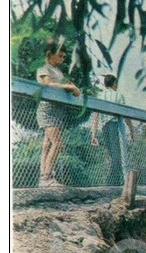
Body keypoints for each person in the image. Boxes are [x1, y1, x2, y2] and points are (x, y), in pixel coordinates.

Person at [36, 38, 81, 187]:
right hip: (47, 110)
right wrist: (66, 87)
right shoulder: (44, 67)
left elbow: (75, 91)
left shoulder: (58, 71)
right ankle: (47, 177)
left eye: (64, 57)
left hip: (58, 112)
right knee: (57, 143)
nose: (62, 59)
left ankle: (44, 177)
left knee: (48, 145)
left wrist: (72, 88)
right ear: (50, 54)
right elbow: (47, 84)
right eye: (60, 56)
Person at [91, 74, 134, 186]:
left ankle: (115, 182)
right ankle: (112, 182)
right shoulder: (118, 96)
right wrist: (132, 130)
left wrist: (94, 134)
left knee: (113, 155)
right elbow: (126, 115)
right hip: (115, 126)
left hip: (105, 127)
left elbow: (96, 116)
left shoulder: (99, 96)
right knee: (118, 157)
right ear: (114, 83)